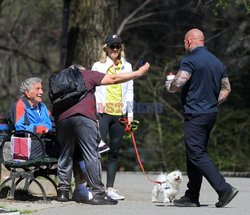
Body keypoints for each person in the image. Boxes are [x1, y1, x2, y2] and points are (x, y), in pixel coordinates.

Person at [55, 62, 150, 205]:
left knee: (65, 154)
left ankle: (63, 191)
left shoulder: (60, 79)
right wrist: (138, 73)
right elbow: (114, 79)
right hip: (84, 118)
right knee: (91, 154)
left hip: (63, 120)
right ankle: (98, 193)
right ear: (82, 70)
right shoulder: (86, 74)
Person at [165, 28, 238, 208]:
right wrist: (212, 103)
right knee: (194, 152)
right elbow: (226, 89)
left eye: (184, 42)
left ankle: (224, 189)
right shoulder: (217, 62)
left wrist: (170, 84)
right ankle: (192, 195)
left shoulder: (189, 60)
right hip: (210, 114)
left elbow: (178, 84)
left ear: (189, 41)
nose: (184, 45)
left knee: (196, 153)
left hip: (195, 114)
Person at [91, 34, 133, 200]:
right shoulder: (98, 65)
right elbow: (92, 89)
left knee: (114, 152)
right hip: (102, 113)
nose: (115, 49)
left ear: (121, 48)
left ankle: (110, 188)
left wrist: (130, 115)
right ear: (106, 48)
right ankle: (93, 186)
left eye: (117, 46)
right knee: (95, 150)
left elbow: (129, 91)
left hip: (119, 114)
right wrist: (92, 113)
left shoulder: (127, 66)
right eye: (112, 46)